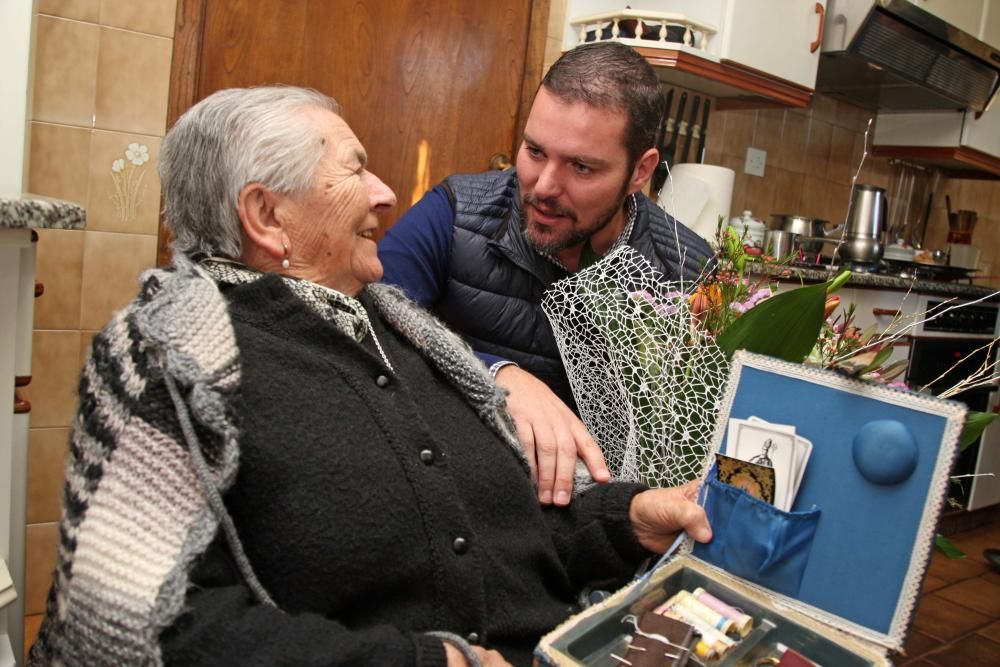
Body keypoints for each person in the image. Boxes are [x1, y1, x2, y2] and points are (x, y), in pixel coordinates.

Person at [28, 85, 712, 667]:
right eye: (357, 171)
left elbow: (497, 525)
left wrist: (622, 519)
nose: (385, 193)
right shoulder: (171, 356)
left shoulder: (401, 331)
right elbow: (129, 621)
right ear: (268, 216)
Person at [378, 41, 715, 508]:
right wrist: (494, 372)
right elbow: (361, 320)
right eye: (535, 151)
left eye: (581, 166)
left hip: (605, 529)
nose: (543, 186)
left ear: (640, 171)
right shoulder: (454, 215)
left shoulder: (687, 270)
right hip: (456, 505)